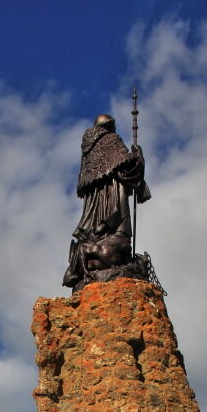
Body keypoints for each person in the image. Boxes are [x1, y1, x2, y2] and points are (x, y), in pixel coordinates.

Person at [63, 113, 150, 289]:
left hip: (97, 196)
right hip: (112, 190)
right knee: (116, 222)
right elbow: (124, 166)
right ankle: (113, 238)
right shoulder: (110, 139)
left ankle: (101, 240)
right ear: (110, 126)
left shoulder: (89, 148)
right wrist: (138, 158)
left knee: (101, 226)